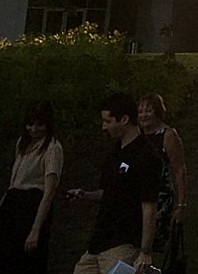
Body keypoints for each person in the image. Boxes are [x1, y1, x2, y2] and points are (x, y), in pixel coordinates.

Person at [67, 92, 161, 274]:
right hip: (99, 241)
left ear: (124, 119)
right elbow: (109, 191)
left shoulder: (146, 156)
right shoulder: (115, 153)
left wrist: (145, 251)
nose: (104, 127)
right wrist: (85, 195)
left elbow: (149, 207)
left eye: (108, 121)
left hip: (123, 243)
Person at [0, 100, 63, 274]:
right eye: (30, 124)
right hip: (13, 204)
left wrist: (35, 229)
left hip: (32, 206)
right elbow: (14, 182)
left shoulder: (52, 148)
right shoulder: (22, 143)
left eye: (39, 125)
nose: (34, 129)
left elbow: (49, 191)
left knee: (26, 261)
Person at [137, 95, 188, 253]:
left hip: (160, 197)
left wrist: (181, 204)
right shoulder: (137, 136)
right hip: (137, 196)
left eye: (148, 111)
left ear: (157, 112)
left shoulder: (167, 135)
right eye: (140, 111)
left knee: (152, 244)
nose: (144, 115)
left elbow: (179, 169)